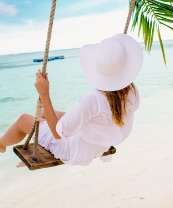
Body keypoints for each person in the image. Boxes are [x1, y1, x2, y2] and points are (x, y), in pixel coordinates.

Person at [0, 34, 143, 166]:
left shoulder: (94, 99)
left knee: (24, 120)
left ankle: (1, 144)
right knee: (42, 113)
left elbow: (58, 134)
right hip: (99, 144)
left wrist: (44, 94)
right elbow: (107, 114)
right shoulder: (132, 90)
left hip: (74, 151)